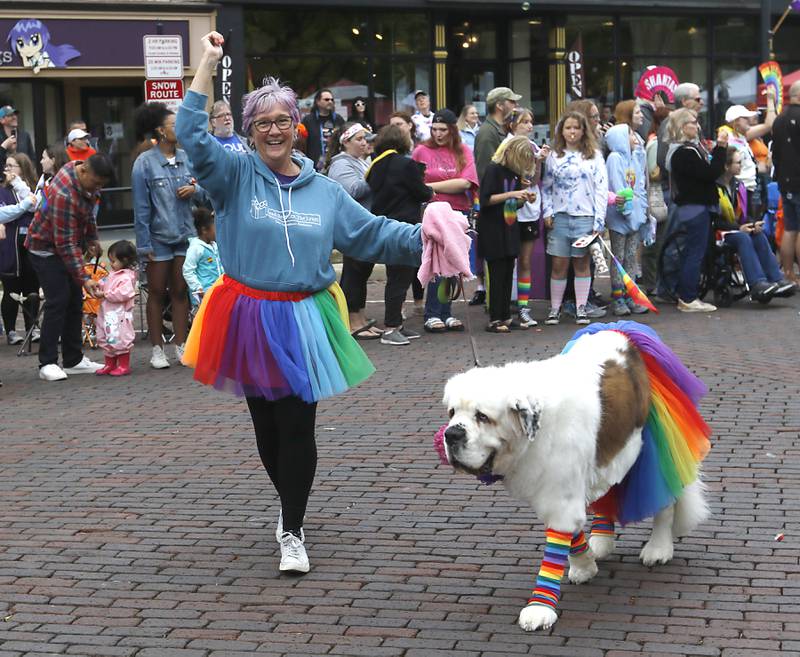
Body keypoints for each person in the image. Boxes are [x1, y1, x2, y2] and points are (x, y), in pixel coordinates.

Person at [176, 31, 438, 575]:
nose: (274, 130)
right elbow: (190, 131)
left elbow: (372, 234)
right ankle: (287, 501)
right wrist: (206, 61)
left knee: (299, 426)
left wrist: (430, 233)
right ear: (250, 130)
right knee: (267, 431)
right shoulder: (232, 175)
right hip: (247, 314)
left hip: (305, 317)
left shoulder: (324, 190)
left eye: (282, 120)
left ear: (296, 127)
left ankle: (292, 528)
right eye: (262, 122)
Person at [24, 153, 112, 381]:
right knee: (58, 300)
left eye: (101, 185)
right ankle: (47, 363)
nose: (97, 188)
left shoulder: (84, 178)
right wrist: (85, 278)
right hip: (44, 248)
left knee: (74, 300)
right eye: (96, 183)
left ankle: (73, 360)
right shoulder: (63, 194)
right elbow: (64, 243)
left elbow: (89, 212)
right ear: (84, 172)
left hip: (64, 245)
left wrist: (92, 238)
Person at [132, 101, 206, 370]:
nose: (180, 129)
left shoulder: (189, 158)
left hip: (185, 236)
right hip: (158, 238)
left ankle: (182, 346)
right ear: (161, 131)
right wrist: (144, 245)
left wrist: (194, 191)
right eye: (175, 125)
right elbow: (141, 208)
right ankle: (156, 349)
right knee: (155, 292)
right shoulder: (144, 163)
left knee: (179, 292)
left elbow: (207, 194)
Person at [365, 124, 433, 345]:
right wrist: (431, 191)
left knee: (397, 276)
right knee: (400, 278)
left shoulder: (375, 165)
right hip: (405, 227)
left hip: (384, 225)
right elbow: (421, 192)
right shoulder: (406, 164)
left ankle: (397, 325)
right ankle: (391, 328)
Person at [412, 108, 478, 332]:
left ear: (452, 130)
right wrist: (438, 188)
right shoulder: (421, 151)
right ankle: (432, 313)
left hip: (457, 213)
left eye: (443, 129)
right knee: (434, 261)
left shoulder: (463, 151)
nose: (438, 134)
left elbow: (465, 183)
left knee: (453, 263)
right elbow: (412, 182)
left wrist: (429, 187)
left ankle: (446, 311)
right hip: (431, 214)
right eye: (435, 129)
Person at [541, 111, 608, 326]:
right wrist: (548, 211)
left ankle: (581, 307)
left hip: (585, 217)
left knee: (582, 263)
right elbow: (546, 187)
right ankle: (555, 309)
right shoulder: (554, 156)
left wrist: (599, 220)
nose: (572, 132)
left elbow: (601, 188)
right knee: (559, 264)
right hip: (560, 217)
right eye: (568, 127)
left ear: (583, 130)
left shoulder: (594, 156)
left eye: (576, 128)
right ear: (561, 130)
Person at [664, 108, 727, 312]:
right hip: (695, 207)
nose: (697, 125)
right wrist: (721, 148)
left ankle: (688, 295)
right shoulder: (684, 153)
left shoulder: (689, 150)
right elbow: (710, 173)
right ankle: (688, 297)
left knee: (695, 251)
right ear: (683, 126)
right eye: (693, 122)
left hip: (697, 206)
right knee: (695, 252)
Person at [716, 147, 795, 302]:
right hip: (719, 232)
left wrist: (752, 224)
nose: (741, 165)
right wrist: (739, 228)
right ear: (726, 166)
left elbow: (745, 216)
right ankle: (757, 282)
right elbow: (714, 220)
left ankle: (776, 278)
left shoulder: (738, 185)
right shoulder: (714, 188)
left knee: (757, 234)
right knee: (743, 238)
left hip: (735, 229)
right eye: (738, 162)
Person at [324, 122, 379, 339]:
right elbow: (352, 190)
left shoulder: (362, 162)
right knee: (354, 272)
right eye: (359, 139)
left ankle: (361, 318)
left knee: (362, 271)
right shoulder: (340, 165)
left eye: (366, 138)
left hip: (364, 225)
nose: (365, 142)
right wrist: (378, 175)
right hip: (351, 227)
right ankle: (351, 322)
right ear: (345, 142)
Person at [478, 136, 537, 332]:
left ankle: (505, 315)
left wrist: (524, 197)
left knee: (507, 272)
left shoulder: (513, 174)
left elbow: (515, 202)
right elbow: (486, 199)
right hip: (493, 229)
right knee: (496, 274)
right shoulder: (493, 169)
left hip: (509, 227)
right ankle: (495, 318)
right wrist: (512, 195)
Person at [499, 107, 549, 327]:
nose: (529, 126)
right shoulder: (506, 145)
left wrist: (539, 161)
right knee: (508, 259)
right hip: (510, 209)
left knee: (526, 260)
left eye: (531, 121)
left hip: (529, 209)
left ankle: (523, 306)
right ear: (512, 124)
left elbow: (535, 179)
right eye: (524, 122)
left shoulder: (533, 146)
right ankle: (503, 305)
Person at [472, 87, 521, 306]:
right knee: (496, 263)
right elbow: (486, 175)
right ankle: (495, 311)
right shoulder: (487, 134)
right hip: (494, 209)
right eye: (512, 102)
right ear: (500, 105)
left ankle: (500, 309)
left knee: (507, 263)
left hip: (506, 206)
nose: (515, 106)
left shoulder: (499, 130)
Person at [605, 123, 649, 316]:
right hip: (619, 217)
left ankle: (632, 295)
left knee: (631, 256)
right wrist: (627, 210)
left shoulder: (634, 159)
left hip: (635, 217)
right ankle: (618, 298)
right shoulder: (614, 158)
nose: (635, 138)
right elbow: (617, 185)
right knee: (618, 257)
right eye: (631, 134)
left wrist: (642, 211)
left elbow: (640, 183)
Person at [0, 153, 40, 345]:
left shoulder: (29, 187)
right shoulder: (2, 189)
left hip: (30, 243)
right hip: (9, 243)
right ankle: (11, 331)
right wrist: (24, 206)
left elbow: (36, 207)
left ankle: (33, 327)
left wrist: (20, 187)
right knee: (10, 287)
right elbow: (5, 215)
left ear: (22, 169)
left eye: (11, 166)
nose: (7, 170)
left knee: (31, 287)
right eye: (5, 166)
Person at [95, 240, 138, 376]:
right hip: (107, 312)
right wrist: (100, 286)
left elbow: (123, 293)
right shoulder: (113, 274)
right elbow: (106, 283)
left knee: (119, 338)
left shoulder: (126, 277)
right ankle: (110, 363)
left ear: (124, 260)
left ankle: (124, 365)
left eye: (113, 261)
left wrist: (106, 294)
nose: (111, 264)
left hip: (118, 315)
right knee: (105, 337)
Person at [772, 80, 800, 284]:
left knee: (790, 229)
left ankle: (788, 273)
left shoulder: (779, 119)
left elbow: (776, 154)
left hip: (785, 180)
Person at [640, 107, 671, 293]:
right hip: (656, 195)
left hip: (661, 194)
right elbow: (652, 172)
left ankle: (656, 281)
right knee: (654, 241)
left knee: (661, 240)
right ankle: (651, 283)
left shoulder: (661, 141)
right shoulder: (655, 143)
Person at [183, 207, 223, 307]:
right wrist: (197, 288)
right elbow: (187, 270)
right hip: (204, 295)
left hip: (218, 293)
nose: (218, 231)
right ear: (204, 230)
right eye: (215, 228)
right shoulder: (196, 248)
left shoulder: (215, 246)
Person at [300, 88, 344, 171]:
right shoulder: (308, 120)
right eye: (326, 99)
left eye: (332, 99)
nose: (330, 101)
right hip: (314, 165)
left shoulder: (338, 119)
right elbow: (302, 144)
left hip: (336, 164)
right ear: (317, 101)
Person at [0, 104, 36, 170]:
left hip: (24, 177)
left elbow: (32, 158)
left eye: (15, 114)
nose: (14, 117)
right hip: (6, 178)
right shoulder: (1, 137)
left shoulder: (25, 136)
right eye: (10, 115)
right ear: (2, 120)